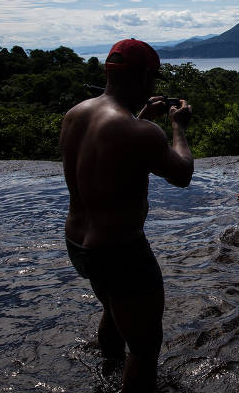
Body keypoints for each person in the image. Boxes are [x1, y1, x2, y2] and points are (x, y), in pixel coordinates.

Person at [59, 38, 194, 392]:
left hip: (78, 243)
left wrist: (142, 117)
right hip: (120, 250)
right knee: (145, 348)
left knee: (113, 306)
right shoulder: (141, 131)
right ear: (147, 76)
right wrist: (177, 127)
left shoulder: (76, 114)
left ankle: (109, 369)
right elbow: (181, 174)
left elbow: (109, 149)